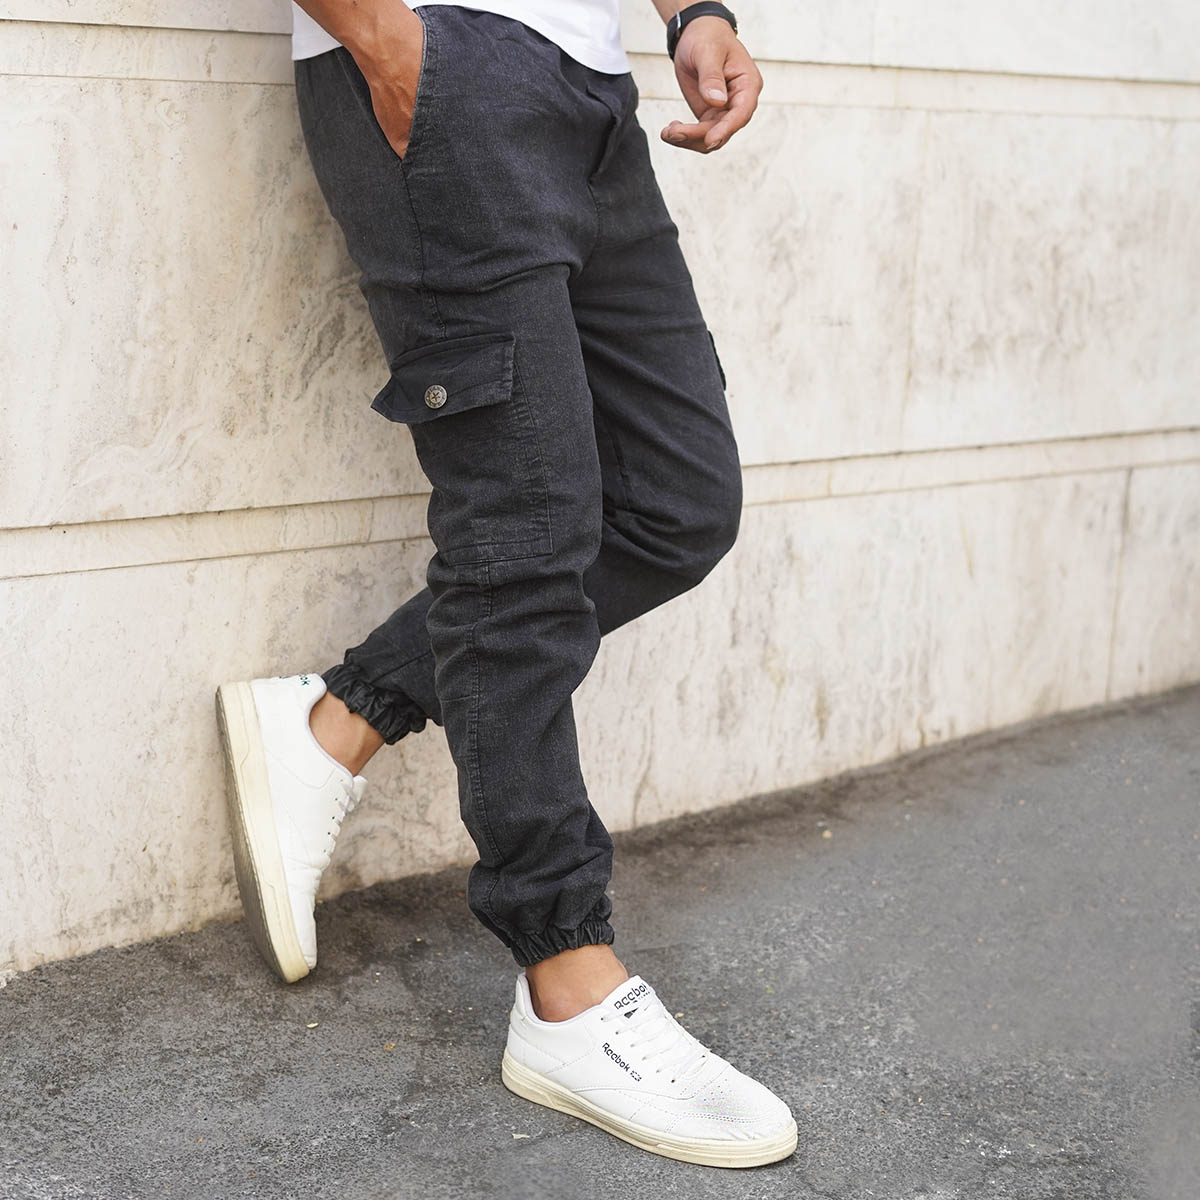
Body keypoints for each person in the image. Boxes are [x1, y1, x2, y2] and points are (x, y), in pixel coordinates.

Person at [215, 0, 796, 1167]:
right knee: (521, 528)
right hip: (441, 57)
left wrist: (691, 13)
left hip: (589, 90)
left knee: (676, 503)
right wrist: (389, 46)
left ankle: (340, 716)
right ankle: (565, 979)